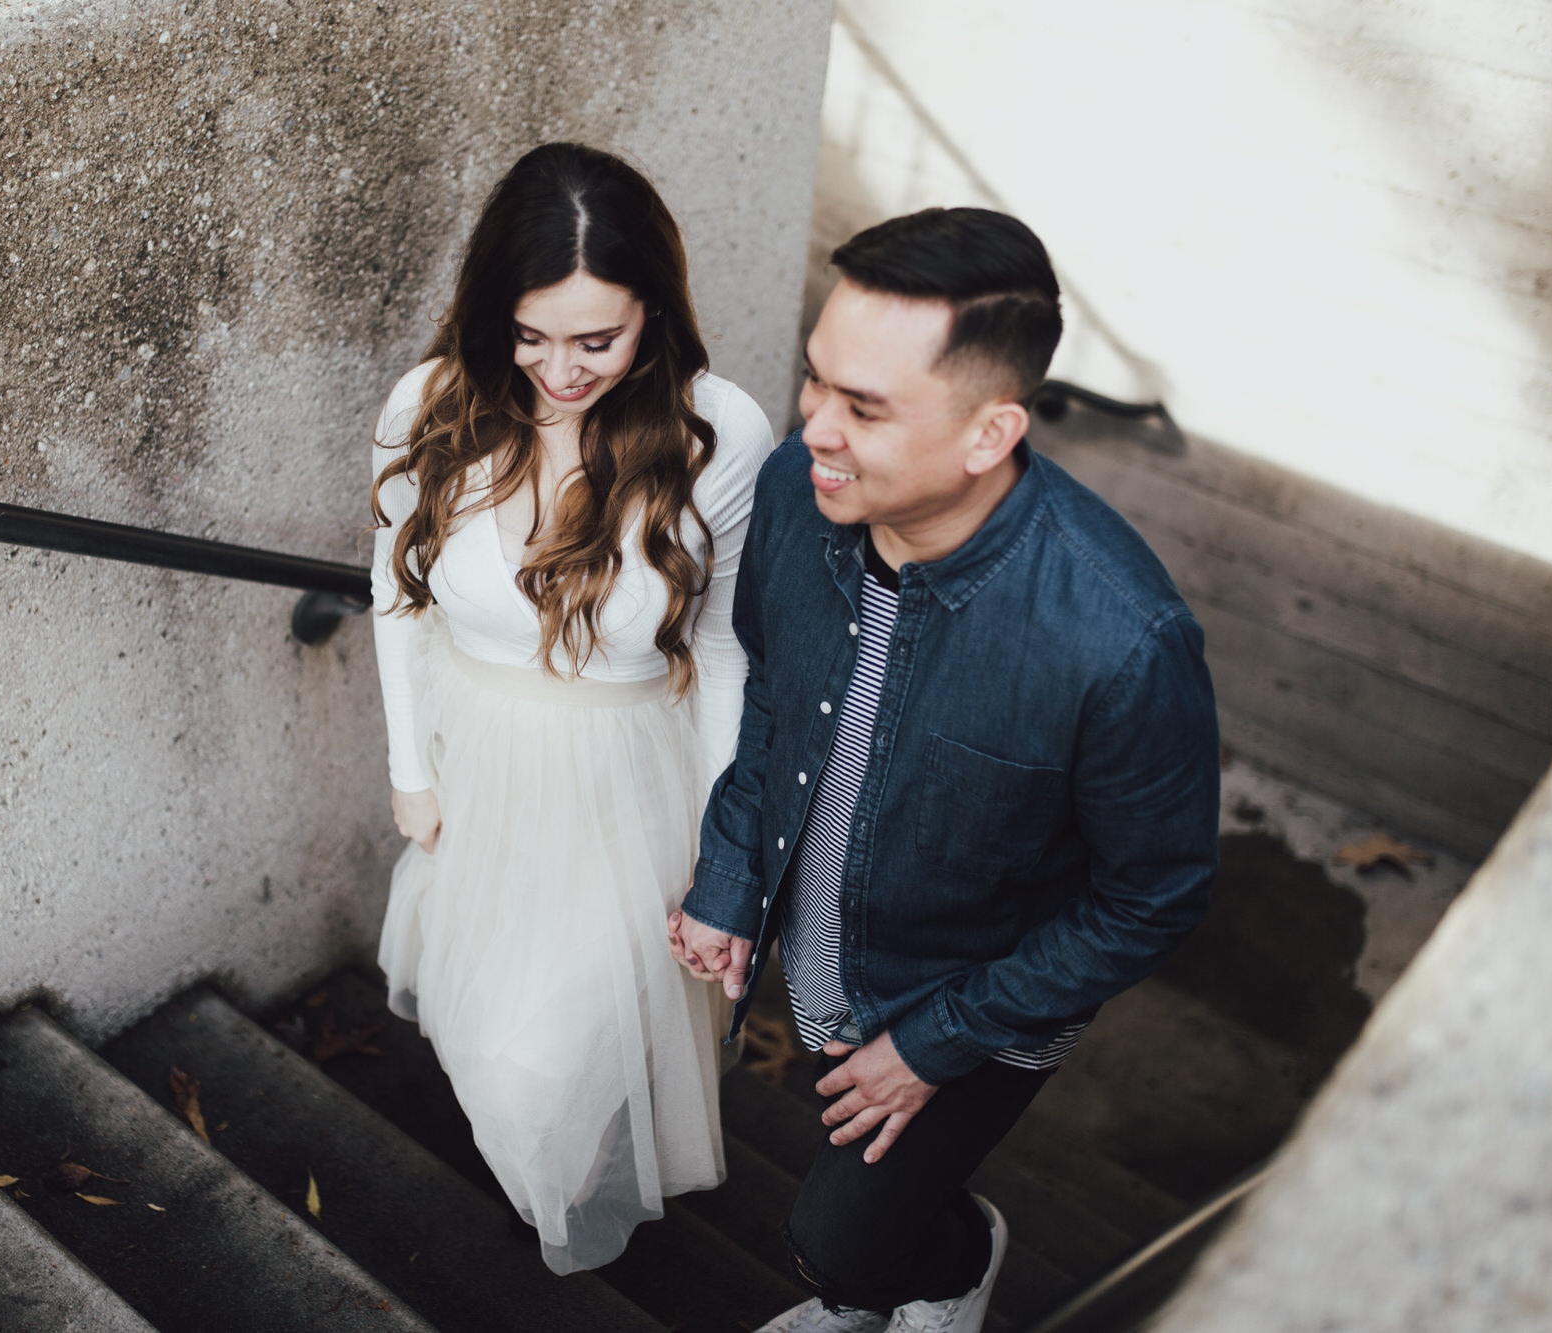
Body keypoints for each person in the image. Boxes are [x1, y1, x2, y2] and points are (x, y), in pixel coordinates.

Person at [667, 207, 1219, 1332]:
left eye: (861, 407)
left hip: (976, 1005)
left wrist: (929, 1043)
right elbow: (774, 686)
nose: (811, 426)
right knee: (852, 1205)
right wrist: (730, 872)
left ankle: (955, 1263)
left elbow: (1149, 897)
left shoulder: (1118, 641)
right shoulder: (792, 489)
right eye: (813, 382)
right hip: (827, 961)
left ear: (988, 432)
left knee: (834, 1240)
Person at [369, 141, 774, 1274]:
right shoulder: (431, 405)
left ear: (654, 310)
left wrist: (721, 847)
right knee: (484, 1020)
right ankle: (548, 1176)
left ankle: (566, 1187)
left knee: (547, 1060)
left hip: (632, 779)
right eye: (530, 335)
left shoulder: (720, 434)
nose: (559, 369)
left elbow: (728, 649)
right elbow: (394, 595)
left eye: (596, 339)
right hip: (481, 768)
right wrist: (411, 770)